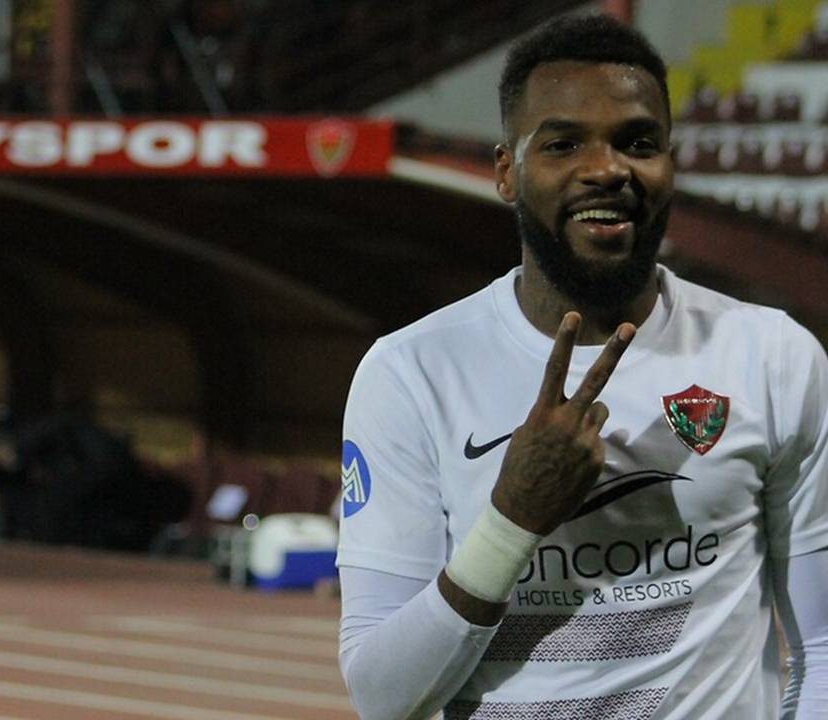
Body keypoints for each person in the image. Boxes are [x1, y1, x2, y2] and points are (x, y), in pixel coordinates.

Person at [336, 14, 828, 720]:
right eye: (563, 143)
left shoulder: (773, 357)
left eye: (638, 143)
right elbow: (382, 697)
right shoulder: (412, 372)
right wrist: (512, 520)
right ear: (507, 172)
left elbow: (821, 648)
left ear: (670, 164)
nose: (607, 169)